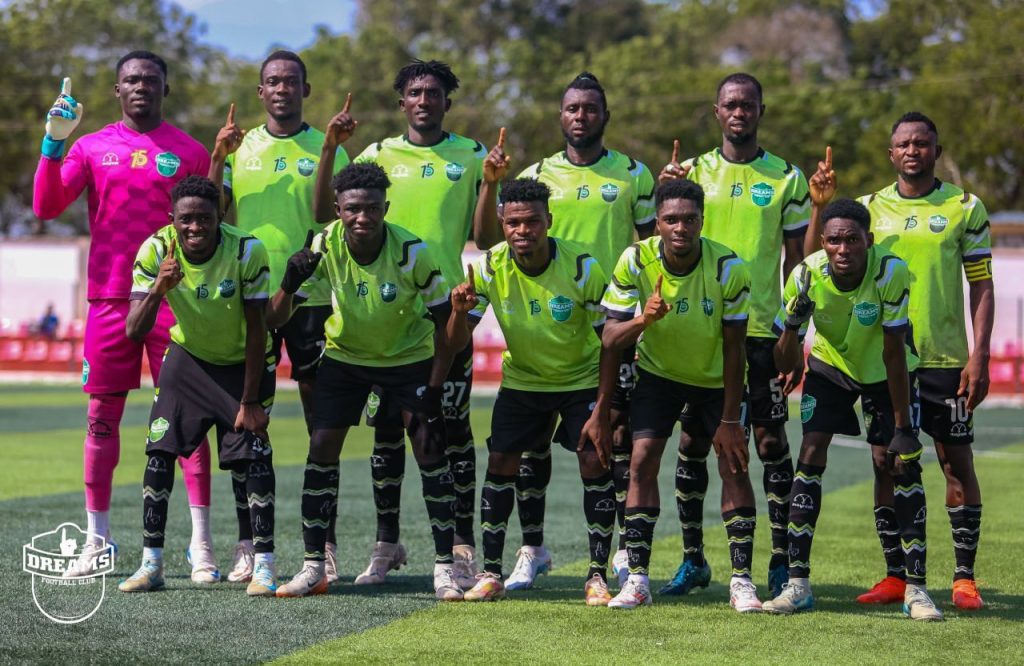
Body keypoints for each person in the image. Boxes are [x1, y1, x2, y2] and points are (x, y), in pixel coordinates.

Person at [32, 51, 217, 581]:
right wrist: (53, 142)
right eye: (131, 80)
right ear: (117, 90)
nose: (141, 86)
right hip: (109, 301)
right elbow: (46, 207)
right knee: (101, 419)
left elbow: (210, 225)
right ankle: (98, 541)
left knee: (188, 419)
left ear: (165, 88)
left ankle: (201, 544)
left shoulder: (189, 151)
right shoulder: (91, 147)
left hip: (173, 300)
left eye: (150, 79)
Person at [473, 72, 656, 590]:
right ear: (561, 116)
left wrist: (641, 319)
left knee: (610, 444)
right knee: (529, 455)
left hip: (605, 324)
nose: (581, 116)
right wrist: (490, 184)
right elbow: (488, 238)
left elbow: (651, 247)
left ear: (605, 115)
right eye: (572, 108)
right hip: (543, 321)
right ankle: (532, 549)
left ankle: (620, 553)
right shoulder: (535, 174)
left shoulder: (633, 174)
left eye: (590, 108)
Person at [804, 113, 994, 611]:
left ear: (936, 150)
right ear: (891, 154)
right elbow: (815, 264)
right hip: (885, 363)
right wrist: (818, 207)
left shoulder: (965, 207)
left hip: (944, 358)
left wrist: (980, 354)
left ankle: (964, 578)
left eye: (922, 143)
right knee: (885, 463)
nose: (912, 151)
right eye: (903, 144)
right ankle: (896, 575)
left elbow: (981, 283)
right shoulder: (868, 208)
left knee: (956, 462)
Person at [313, 60, 485, 587]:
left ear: (447, 102)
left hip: (446, 313)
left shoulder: (474, 154)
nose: (424, 100)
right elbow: (326, 210)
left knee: (451, 431)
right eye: (414, 92)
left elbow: (487, 234)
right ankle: (387, 544)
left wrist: (495, 185)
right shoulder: (377, 154)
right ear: (402, 101)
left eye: (433, 92)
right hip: (384, 319)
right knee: (386, 434)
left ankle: (461, 547)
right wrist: (330, 147)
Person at [271, 163, 464, 600]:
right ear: (338, 209)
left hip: (408, 360)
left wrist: (434, 387)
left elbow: (447, 332)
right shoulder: (324, 244)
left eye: (372, 208)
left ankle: (445, 569)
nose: (363, 217)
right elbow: (274, 318)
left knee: (430, 451)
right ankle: (314, 566)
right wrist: (288, 282)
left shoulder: (412, 251)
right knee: (321, 448)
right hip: (346, 359)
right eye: (353, 209)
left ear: (386, 208)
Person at [657, 72, 809, 599]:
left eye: (748, 104)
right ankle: (693, 559)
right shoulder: (693, 172)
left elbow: (797, 262)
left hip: (762, 333)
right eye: (730, 104)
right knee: (694, 443)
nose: (739, 112)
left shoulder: (787, 178)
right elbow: (663, 235)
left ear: (761, 110)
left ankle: (781, 561)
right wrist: (664, 187)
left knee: (769, 443)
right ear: (716, 112)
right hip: (700, 333)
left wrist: (794, 335)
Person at [762, 199, 942, 621]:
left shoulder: (890, 272)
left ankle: (915, 589)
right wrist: (792, 325)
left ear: (869, 241)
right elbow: (783, 362)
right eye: (834, 241)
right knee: (810, 454)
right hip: (831, 367)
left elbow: (894, 351)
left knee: (896, 463)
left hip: (885, 370)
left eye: (852, 240)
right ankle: (798, 585)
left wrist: (903, 428)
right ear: (823, 242)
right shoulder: (805, 275)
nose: (842, 249)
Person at [208, 49, 350, 585]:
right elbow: (209, 210)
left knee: (322, 426)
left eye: (291, 81)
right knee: (244, 419)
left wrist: (332, 148)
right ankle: (248, 543)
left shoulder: (328, 145)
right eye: (272, 81)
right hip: (250, 299)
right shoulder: (240, 147)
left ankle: (324, 545)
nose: (282, 88)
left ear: (305, 90)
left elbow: (331, 214)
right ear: (260, 91)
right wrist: (217, 157)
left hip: (313, 299)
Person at [448, 178, 616, 604]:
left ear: (549, 221)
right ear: (502, 223)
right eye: (514, 223)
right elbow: (454, 343)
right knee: (501, 462)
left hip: (580, 379)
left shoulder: (582, 268)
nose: (523, 231)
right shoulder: (488, 267)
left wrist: (604, 407)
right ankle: (491, 573)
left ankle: (597, 576)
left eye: (533, 222)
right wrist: (458, 314)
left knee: (593, 461)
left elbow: (610, 343)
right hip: (523, 381)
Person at [599, 179, 759, 612]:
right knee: (641, 459)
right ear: (657, 223)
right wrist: (642, 322)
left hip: (715, 381)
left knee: (734, 465)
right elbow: (610, 339)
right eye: (671, 219)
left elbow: (735, 348)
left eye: (689, 219)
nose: (680, 228)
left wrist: (730, 420)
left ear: (702, 222)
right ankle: (637, 580)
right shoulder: (636, 259)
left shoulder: (728, 267)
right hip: (659, 376)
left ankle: (742, 581)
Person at [118, 176, 277, 596]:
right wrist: (159, 288)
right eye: (185, 219)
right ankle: (152, 564)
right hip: (188, 359)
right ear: (172, 218)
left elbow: (258, 329)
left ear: (219, 217)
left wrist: (250, 400)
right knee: (159, 452)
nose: (195, 227)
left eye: (204, 218)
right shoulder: (156, 250)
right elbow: (134, 330)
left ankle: (264, 565)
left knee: (253, 458)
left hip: (243, 363)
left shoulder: (247, 250)